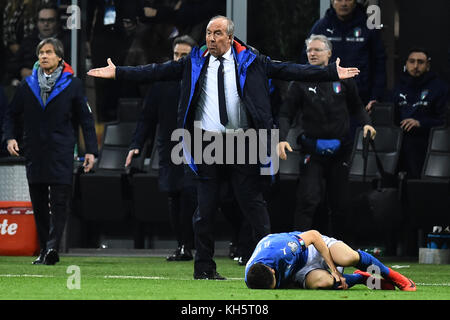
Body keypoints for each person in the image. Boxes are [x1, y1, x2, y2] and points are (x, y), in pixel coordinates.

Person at [88, 15, 361, 280]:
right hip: (207, 142)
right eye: (208, 33)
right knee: (204, 208)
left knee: (253, 205)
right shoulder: (193, 61)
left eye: (218, 33)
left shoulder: (252, 60)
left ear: (230, 38)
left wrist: (329, 72)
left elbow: (290, 69)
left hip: (242, 141)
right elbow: (155, 71)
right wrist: (118, 73)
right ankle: (204, 268)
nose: (211, 38)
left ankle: (270, 264)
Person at [2, 38, 98, 265]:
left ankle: (53, 247)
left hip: (61, 151)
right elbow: (11, 114)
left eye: (48, 52)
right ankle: (45, 247)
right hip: (35, 150)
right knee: (38, 202)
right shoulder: (27, 85)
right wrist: (10, 138)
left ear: (59, 57)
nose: (44, 56)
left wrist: (91, 151)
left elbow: (85, 119)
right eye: (41, 53)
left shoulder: (72, 84)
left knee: (59, 201)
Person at [278, 34, 376, 238]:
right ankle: (298, 248)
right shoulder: (300, 80)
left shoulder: (343, 78)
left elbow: (357, 106)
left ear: (329, 53)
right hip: (312, 150)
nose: (312, 54)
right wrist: (282, 138)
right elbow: (286, 113)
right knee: (308, 200)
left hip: (340, 150)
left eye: (317, 50)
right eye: (309, 50)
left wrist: (367, 124)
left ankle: (340, 251)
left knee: (340, 203)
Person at [125, 35, 197, 261]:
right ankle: (183, 245)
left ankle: (195, 245)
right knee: (173, 196)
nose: (178, 59)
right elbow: (147, 117)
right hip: (168, 147)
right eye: (176, 54)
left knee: (190, 195)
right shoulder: (162, 81)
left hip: (198, 147)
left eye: (183, 55)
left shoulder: (201, 80)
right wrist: (136, 145)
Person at [245, 229, 416, 291]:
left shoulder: (285, 249)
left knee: (347, 257)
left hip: (314, 248)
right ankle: (362, 278)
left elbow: (314, 235)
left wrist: (333, 268)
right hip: (299, 270)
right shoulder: (253, 278)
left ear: (272, 269)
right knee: (324, 283)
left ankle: (395, 277)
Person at [303, 0, 386, 112]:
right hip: (325, 102)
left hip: (360, 103)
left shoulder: (368, 28)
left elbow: (379, 64)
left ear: (355, 2)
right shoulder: (320, 28)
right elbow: (307, 62)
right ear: (332, 2)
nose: (344, 3)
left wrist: (375, 97)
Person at [391, 48, 448, 178]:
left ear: (427, 66)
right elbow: (391, 115)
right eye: (412, 61)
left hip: (426, 142)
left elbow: (444, 121)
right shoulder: (398, 86)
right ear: (406, 64)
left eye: (420, 62)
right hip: (399, 141)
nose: (415, 66)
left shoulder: (439, 88)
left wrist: (420, 123)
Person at [8, 2, 71, 82]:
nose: (46, 24)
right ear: (37, 22)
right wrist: (22, 71)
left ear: (58, 22)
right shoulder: (28, 41)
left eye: (50, 20)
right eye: (42, 20)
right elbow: (12, 66)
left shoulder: (68, 43)